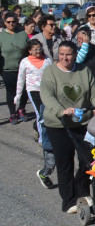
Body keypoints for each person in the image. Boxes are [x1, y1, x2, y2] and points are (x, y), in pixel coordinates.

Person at [39, 41, 95, 214]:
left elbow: (94, 91)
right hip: (58, 123)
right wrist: (62, 110)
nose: (64, 58)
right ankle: (68, 200)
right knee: (65, 161)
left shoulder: (83, 70)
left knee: (87, 159)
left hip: (82, 122)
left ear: (75, 54)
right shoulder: (50, 72)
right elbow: (47, 96)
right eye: (61, 54)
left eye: (68, 54)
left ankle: (82, 192)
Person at [15, 41, 55, 187]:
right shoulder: (25, 62)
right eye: (35, 50)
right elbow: (20, 79)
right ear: (29, 51)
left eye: (39, 49)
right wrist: (18, 96)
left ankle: (38, 128)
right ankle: (43, 140)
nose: (38, 52)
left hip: (47, 90)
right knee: (41, 115)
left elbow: (53, 74)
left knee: (47, 115)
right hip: (33, 90)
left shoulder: (47, 60)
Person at [1, 10, 31, 124]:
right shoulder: (1, 36)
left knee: (24, 90)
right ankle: (12, 113)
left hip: (22, 68)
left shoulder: (22, 34)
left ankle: (22, 109)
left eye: (13, 22)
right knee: (11, 91)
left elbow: (29, 50)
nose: (11, 24)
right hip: (7, 69)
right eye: (8, 22)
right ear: (4, 23)